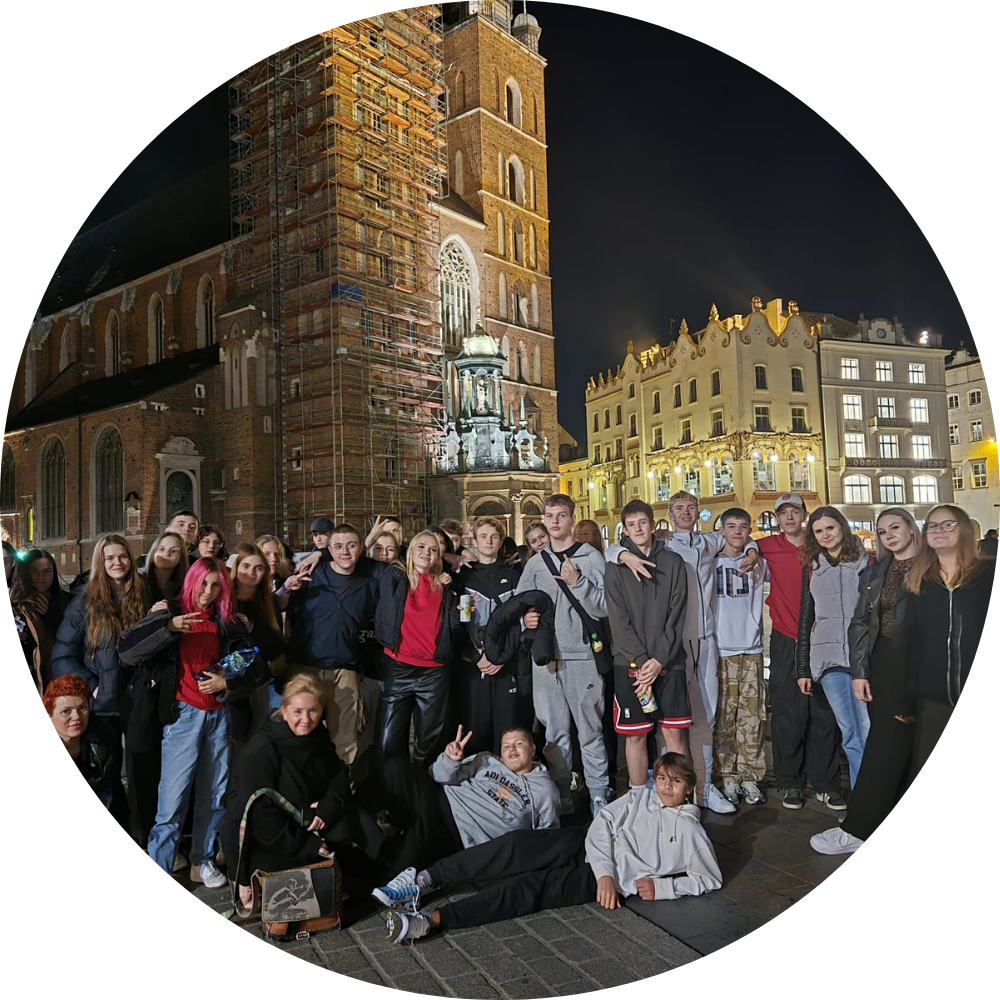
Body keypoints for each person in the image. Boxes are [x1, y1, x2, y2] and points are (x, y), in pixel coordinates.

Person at [381, 752, 721, 943]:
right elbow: (603, 822)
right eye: (662, 778)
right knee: (514, 846)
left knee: (528, 890)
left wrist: (664, 888)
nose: (666, 787)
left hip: (606, 881)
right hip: (585, 845)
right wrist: (605, 869)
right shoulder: (640, 797)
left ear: (688, 787)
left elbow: (709, 878)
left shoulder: (690, 830)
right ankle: (423, 879)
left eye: (676, 781)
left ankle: (429, 921)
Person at [610, 491, 759, 814]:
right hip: (669, 646)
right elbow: (615, 550)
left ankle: (701, 789)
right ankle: (663, 791)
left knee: (702, 717)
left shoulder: (708, 541)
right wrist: (621, 554)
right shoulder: (660, 545)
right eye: (679, 508)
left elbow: (741, 536)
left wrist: (752, 549)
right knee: (663, 727)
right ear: (669, 514)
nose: (687, 513)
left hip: (700, 640)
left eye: (691, 507)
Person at [118, 557, 253, 886]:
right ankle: (161, 862)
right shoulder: (169, 611)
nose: (208, 591)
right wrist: (167, 628)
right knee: (173, 799)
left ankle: (201, 861)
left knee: (214, 794)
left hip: (218, 715)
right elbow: (127, 652)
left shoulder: (226, 620)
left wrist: (227, 682)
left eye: (215, 585)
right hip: (182, 715)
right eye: (203, 583)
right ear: (191, 581)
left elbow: (251, 664)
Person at [811, 508, 924, 855]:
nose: (889, 535)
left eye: (895, 527)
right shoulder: (877, 571)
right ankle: (863, 818)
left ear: (911, 529)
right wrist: (860, 671)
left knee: (899, 742)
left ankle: (865, 818)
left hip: (920, 666)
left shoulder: (928, 568)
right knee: (873, 741)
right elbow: (861, 622)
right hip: (878, 662)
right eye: (882, 531)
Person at [371, 725, 561, 904]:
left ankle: (392, 837)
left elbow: (547, 837)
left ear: (533, 749)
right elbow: (437, 775)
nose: (511, 749)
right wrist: (450, 760)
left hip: (457, 837)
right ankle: (396, 827)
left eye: (519, 743)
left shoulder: (544, 790)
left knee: (392, 872)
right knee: (395, 768)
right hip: (440, 800)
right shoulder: (487, 760)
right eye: (506, 746)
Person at [221, 672, 353, 909]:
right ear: (284, 710)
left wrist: (328, 806)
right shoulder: (262, 749)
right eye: (298, 711)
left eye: (313, 711)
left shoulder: (318, 736)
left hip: (302, 819)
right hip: (265, 834)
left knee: (352, 824)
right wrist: (306, 845)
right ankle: (245, 882)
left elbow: (339, 774)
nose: (306, 720)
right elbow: (260, 815)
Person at [515, 493, 610, 818]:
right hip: (546, 661)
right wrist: (525, 619)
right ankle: (561, 797)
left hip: (582, 657)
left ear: (572, 518)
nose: (555, 521)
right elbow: (520, 603)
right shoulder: (535, 563)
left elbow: (605, 607)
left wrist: (578, 582)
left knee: (590, 731)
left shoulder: (590, 557)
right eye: (550, 516)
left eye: (561, 515)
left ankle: (598, 794)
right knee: (555, 736)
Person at [757, 494, 844, 811]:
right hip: (786, 638)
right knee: (787, 714)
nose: (789, 517)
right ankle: (791, 782)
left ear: (804, 515)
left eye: (795, 511)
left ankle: (826, 784)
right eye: (783, 513)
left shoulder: (820, 543)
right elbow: (734, 543)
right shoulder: (766, 546)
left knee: (823, 713)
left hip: (822, 637)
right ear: (777, 519)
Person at [282, 524, 387, 771]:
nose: (345, 552)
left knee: (346, 743)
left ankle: (340, 792)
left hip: (345, 672)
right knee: (300, 737)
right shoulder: (311, 573)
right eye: (338, 546)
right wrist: (288, 587)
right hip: (306, 669)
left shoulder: (369, 578)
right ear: (329, 549)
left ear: (360, 548)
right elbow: (281, 604)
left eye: (351, 545)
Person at [604, 500, 689, 791]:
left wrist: (660, 659)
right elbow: (618, 621)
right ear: (625, 529)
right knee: (635, 734)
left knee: (674, 733)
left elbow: (677, 615)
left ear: (653, 524)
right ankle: (639, 795)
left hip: (669, 662)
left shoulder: (674, 562)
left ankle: (677, 796)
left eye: (643, 522)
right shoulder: (615, 568)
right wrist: (643, 662)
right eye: (632, 524)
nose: (638, 529)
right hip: (630, 664)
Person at [905, 505, 992, 776]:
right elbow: (910, 640)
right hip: (935, 697)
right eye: (932, 525)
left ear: (963, 529)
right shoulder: (920, 581)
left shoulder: (986, 575)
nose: (938, 530)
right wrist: (906, 696)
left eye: (947, 524)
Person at [797, 506, 871, 791]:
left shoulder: (867, 563)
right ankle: (861, 796)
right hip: (828, 661)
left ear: (842, 527)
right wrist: (802, 667)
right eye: (819, 531)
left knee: (869, 729)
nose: (825, 534)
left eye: (830, 528)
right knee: (850, 732)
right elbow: (806, 618)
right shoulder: (812, 568)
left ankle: (876, 795)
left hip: (863, 659)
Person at [376, 530, 460, 766]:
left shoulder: (445, 584)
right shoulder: (395, 576)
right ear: (410, 550)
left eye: (433, 549)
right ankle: (393, 782)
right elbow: (367, 562)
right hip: (398, 665)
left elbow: (452, 625)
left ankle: (422, 780)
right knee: (389, 738)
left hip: (434, 670)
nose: (426, 553)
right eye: (421, 547)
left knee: (428, 740)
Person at [52, 534, 146, 743]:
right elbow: (61, 657)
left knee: (141, 761)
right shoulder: (83, 604)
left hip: (139, 700)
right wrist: (93, 687)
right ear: (100, 562)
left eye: (123, 556)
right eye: (110, 558)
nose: (117, 563)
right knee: (107, 761)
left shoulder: (143, 596)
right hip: (103, 706)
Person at [453, 517, 531, 756]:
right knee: (475, 725)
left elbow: (518, 624)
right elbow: (456, 625)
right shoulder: (462, 577)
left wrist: (502, 657)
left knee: (506, 726)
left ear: (500, 542)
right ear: (474, 541)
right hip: (473, 664)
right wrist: (476, 657)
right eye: (483, 536)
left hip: (505, 664)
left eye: (494, 537)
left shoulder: (514, 577)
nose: (488, 541)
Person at [713, 508, 768, 806]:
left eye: (743, 526)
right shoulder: (710, 561)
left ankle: (749, 776)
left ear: (750, 530)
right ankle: (726, 775)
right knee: (724, 717)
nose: (737, 531)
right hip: (721, 649)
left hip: (751, 648)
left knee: (752, 716)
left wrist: (753, 550)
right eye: (731, 526)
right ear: (721, 530)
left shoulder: (760, 563)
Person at [43, 673, 128, 829]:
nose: (76, 716)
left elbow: (114, 789)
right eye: (66, 711)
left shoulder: (103, 738)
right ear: (50, 717)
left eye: (82, 708)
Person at [228, 543, 285, 741]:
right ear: (236, 567)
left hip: (256, 682)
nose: (251, 573)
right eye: (246, 566)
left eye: (258, 568)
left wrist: (252, 629)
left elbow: (274, 649)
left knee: (254, 739)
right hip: (227, 683)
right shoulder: (222, 599)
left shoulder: (269, 602)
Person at [10, 548, 71, 697]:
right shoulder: (16, 605)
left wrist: (50, 615)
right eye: (34, 571)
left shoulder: (67, 601)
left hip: (58, 679)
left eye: (47, 571)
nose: (41, 576)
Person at [140, 531, 189, 610]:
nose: (166, 553)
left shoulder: (186, 583)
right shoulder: (139, 579)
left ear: (181, 557)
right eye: (162, 549)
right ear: (154, 552)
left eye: (173, 551)